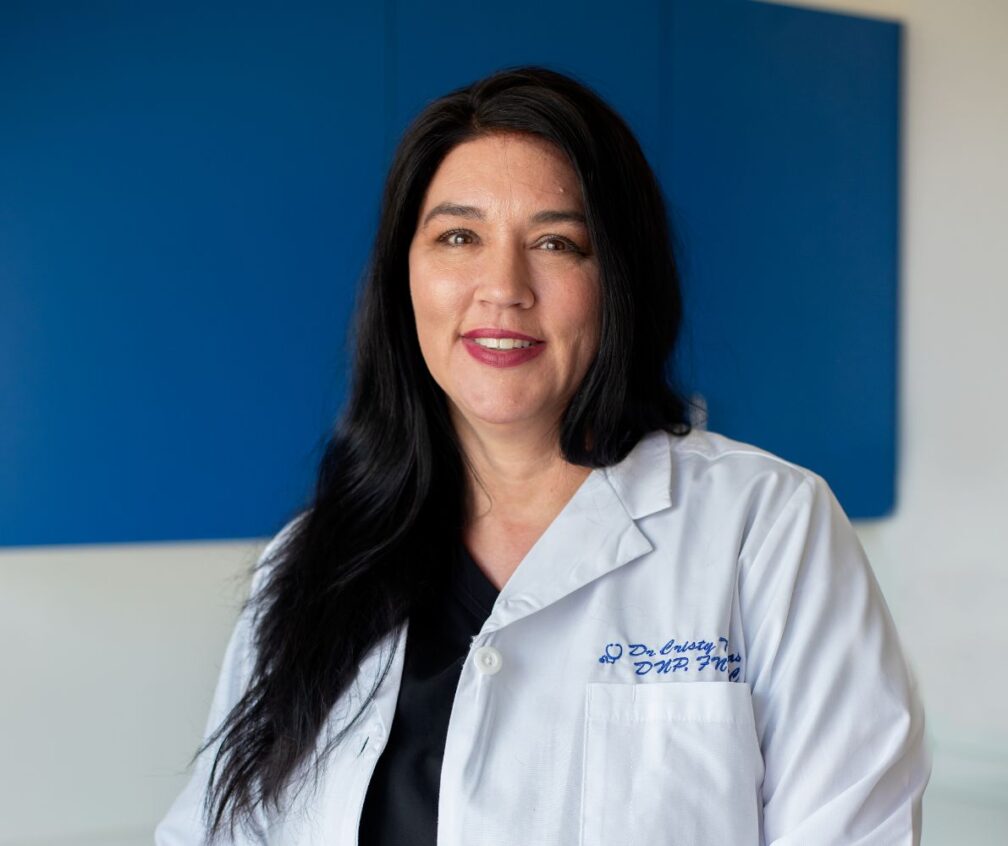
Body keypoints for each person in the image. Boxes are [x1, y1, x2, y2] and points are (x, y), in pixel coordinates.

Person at [155, 65, 930, 845]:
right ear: (405, 277)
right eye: (459, 236)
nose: (503, 287)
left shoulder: (766, 529)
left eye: (556, 242)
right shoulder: (313, 559)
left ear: (617, 280)